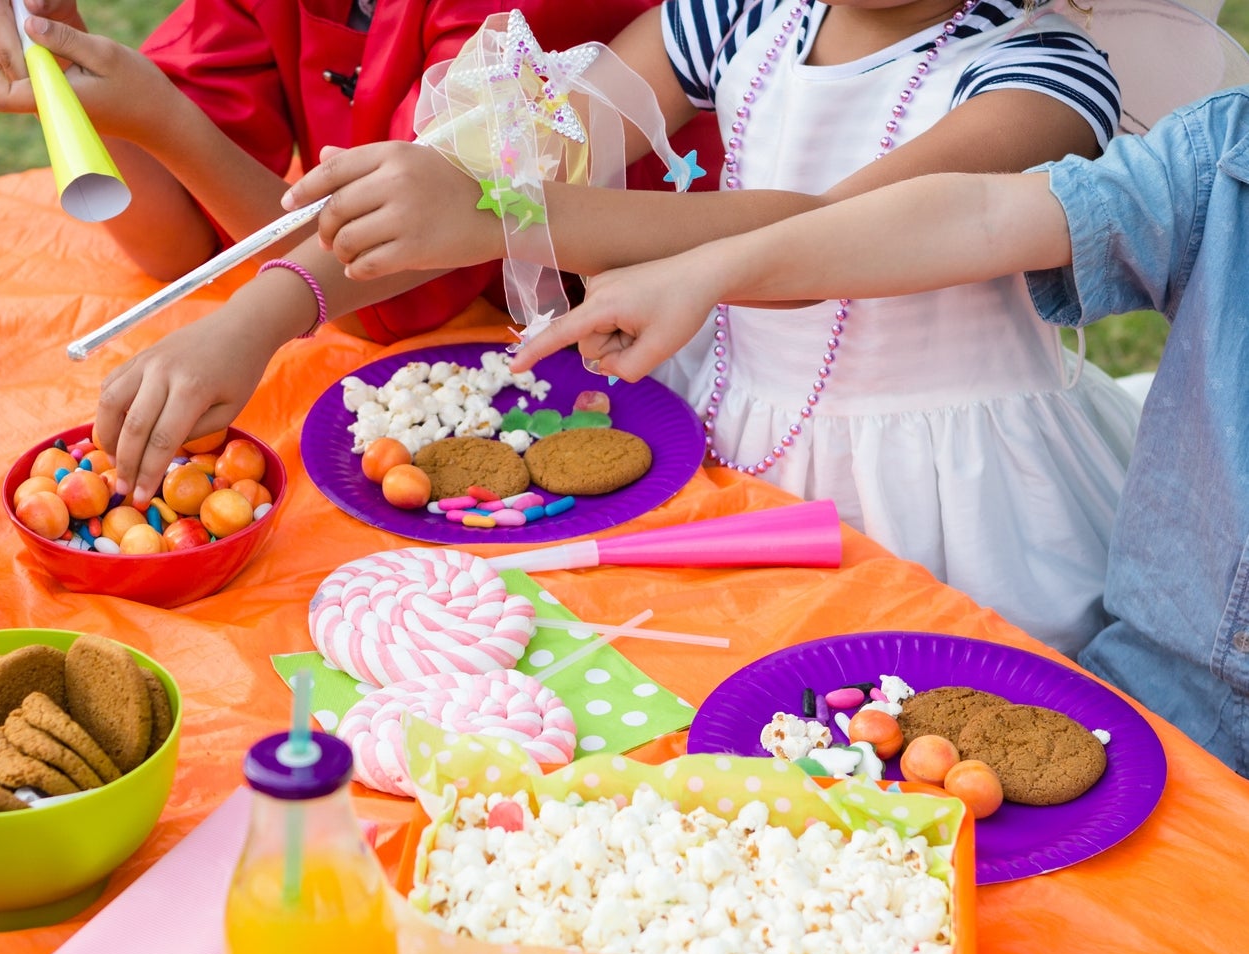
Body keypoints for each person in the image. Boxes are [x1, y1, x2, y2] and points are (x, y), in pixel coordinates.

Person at [100, 0, 1139, 654]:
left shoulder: (1043, 78)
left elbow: (830, 238)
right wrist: (264, 311)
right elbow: (512, 154)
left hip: (946, 493)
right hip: (725, 431)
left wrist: (507, 212)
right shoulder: (732, 15)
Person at [513, 86, 1249, 775]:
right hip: (1160, 695)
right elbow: (978, 215)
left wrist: (505, 215)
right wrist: (702, 272)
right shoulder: (1220, 152)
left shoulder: (1043, 86)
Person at [0, 0, 716, 342]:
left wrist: (168, 122)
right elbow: (178, 248)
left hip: (645, 340)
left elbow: (388, 294)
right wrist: (70, 70)